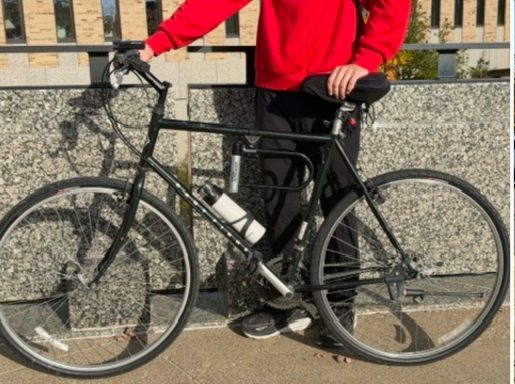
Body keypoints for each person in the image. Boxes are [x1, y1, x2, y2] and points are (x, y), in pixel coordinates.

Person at [140, 0, 412, 343]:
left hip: (333, 87)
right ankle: (287, 299)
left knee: (337, 200)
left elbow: (393, 4)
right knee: (279, 201)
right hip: (274, 93)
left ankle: (341, 302)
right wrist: (155, 45)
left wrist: (366, 60)